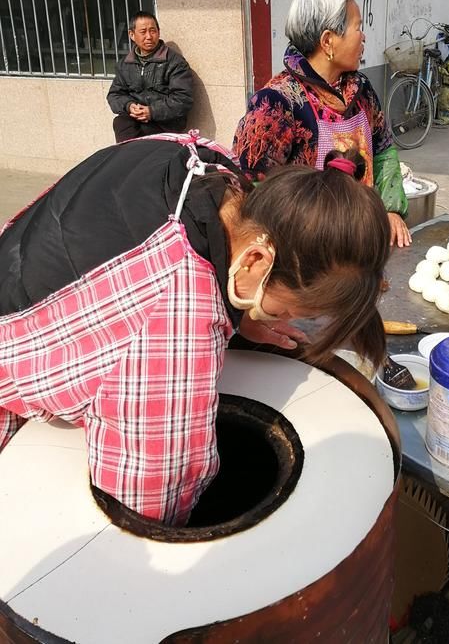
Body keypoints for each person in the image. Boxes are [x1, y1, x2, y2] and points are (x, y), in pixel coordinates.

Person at [0, 133, 390, 526]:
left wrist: (243, 313)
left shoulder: (208, 166)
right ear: (256, 260)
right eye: (286, 309)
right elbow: (146, 496)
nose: (284, 321)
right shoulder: (175, 315)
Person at [233, 0, 412, 247]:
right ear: (328, 41)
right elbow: (253, 193)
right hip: (306, 253)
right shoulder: (276, 104)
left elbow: (383, 149)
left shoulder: (361, 90)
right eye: (357, 27)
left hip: (360, 239)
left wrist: (391, 209)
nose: (363, 36)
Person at [107, 11, 194, 142]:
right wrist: (129, 106)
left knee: (141, 138)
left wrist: (151, 111)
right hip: (135, 118)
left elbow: (183, 99)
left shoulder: (175, 62)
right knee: (121, 123)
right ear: (132, 35)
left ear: (158, 32)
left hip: (165, 121)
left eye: (153, 31)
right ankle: (129, 160)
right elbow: (114, 95)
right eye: (143, 32)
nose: (149, 36)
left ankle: (134, 160)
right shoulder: (125, 64)